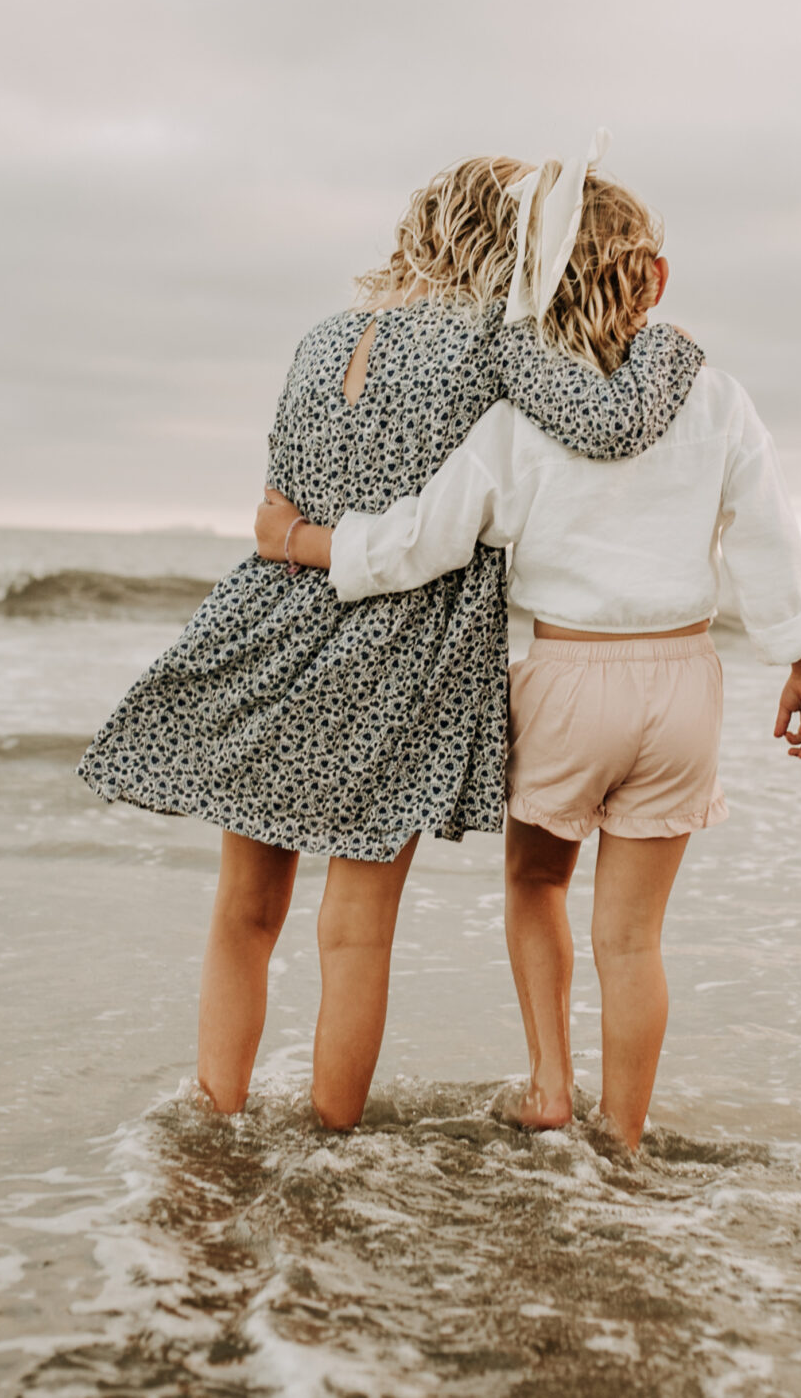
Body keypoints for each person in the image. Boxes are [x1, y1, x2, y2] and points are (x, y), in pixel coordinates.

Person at [78, 150, 703, 1130]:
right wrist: (668, 351)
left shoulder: (321, 338)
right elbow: (599, 431)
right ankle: (328, 1142)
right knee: (354, 930)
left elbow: (284, 494)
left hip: (273, 620)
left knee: (244, 910)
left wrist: (292, 539)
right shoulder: (498, 347)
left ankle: (216, 1121)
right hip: (399, 653)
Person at [253, 151, 801, 1146]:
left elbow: (419, 540)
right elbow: (769, 534)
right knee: (635, 938)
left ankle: (550, 1087)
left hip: (568, 679)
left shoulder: (518, 419)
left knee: (536, 886)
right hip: (684, 684)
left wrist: (305, 542)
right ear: (654, 280)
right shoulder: (718, 398)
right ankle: (626, 1134)